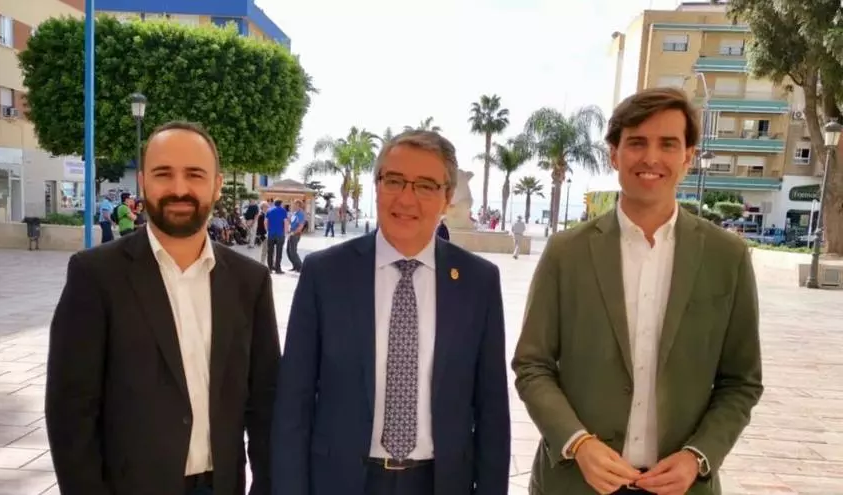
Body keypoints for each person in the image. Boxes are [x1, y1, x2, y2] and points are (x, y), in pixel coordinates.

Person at [512, 87, 763, 495]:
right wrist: (578, 443)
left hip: (682, 487)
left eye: (668, 144)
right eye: (637, 143)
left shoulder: (727, 256)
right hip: (574, 482)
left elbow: (741, 381)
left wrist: (698, 456)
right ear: (614, 154)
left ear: (688, 156)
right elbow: (532, 365)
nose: (651, 158)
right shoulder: (566, 252)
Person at [45, 121, 281, 495]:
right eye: (163, 174)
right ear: (143, 182)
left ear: (217, 185)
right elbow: (70, 411)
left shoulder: (250, 281)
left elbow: (265, 402)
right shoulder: (96, 276)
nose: (179, 188)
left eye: (195, 174)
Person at [271, 130, 510, 495]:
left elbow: (492, 408)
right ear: (377, 186)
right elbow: (293, 400)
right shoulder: (325, 274)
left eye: (425, 186)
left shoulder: (478, 282)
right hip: (342, 481)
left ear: (447, 197)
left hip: (440, 482)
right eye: (394, 181)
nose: (406, 198)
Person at [264, 199, 288, 274]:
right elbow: (285, 222)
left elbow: (265, 222)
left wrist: (267, 230)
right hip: (280, 234)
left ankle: (270, 268)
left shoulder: (269, 210)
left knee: (270, 252)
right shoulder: (283, 211)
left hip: (271, 234)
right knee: (279, 252)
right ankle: (278, 269)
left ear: (274, 203)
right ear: (281, 204)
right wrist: (285, 233)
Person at [286, 199, 306, 272]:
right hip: (291, 233)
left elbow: (301, 226)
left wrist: (293, 233)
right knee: (288, 251)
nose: (294, 206)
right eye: (294, 204)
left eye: (295, 204)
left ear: (299, 205)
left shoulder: (300, 214)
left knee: (293, 252)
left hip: (295, 234)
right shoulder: (294, 213)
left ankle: (301, 267)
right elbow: (291, 222)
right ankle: (295, 266)